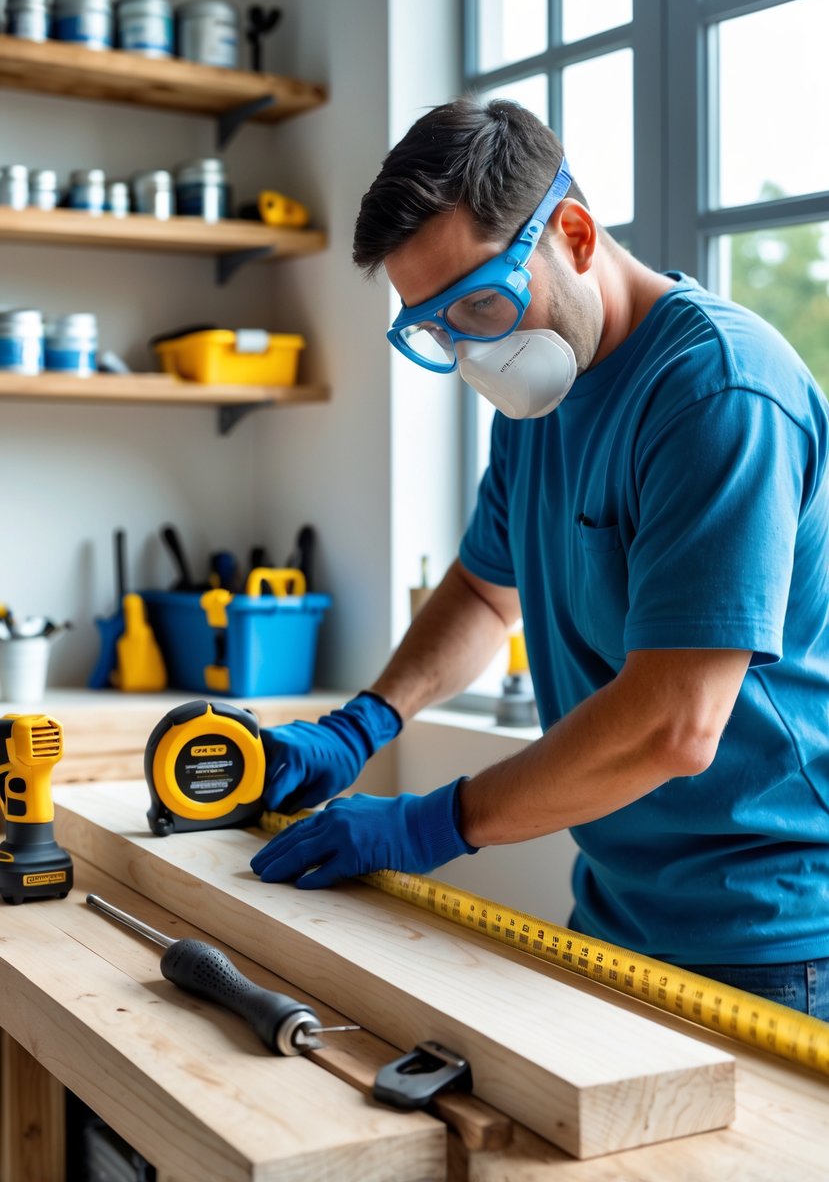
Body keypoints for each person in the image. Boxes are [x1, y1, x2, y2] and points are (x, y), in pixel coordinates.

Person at [250, 97, 829, 1019]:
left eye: (480, 301)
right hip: (615, 909)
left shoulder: (719, 392)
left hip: (768, 941)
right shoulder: (540, 397)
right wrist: (363, 725)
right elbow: (486, 593)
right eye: (434, 328)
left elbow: (678, 724)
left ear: (573, 233)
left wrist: (429, 823)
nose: (473, 347)